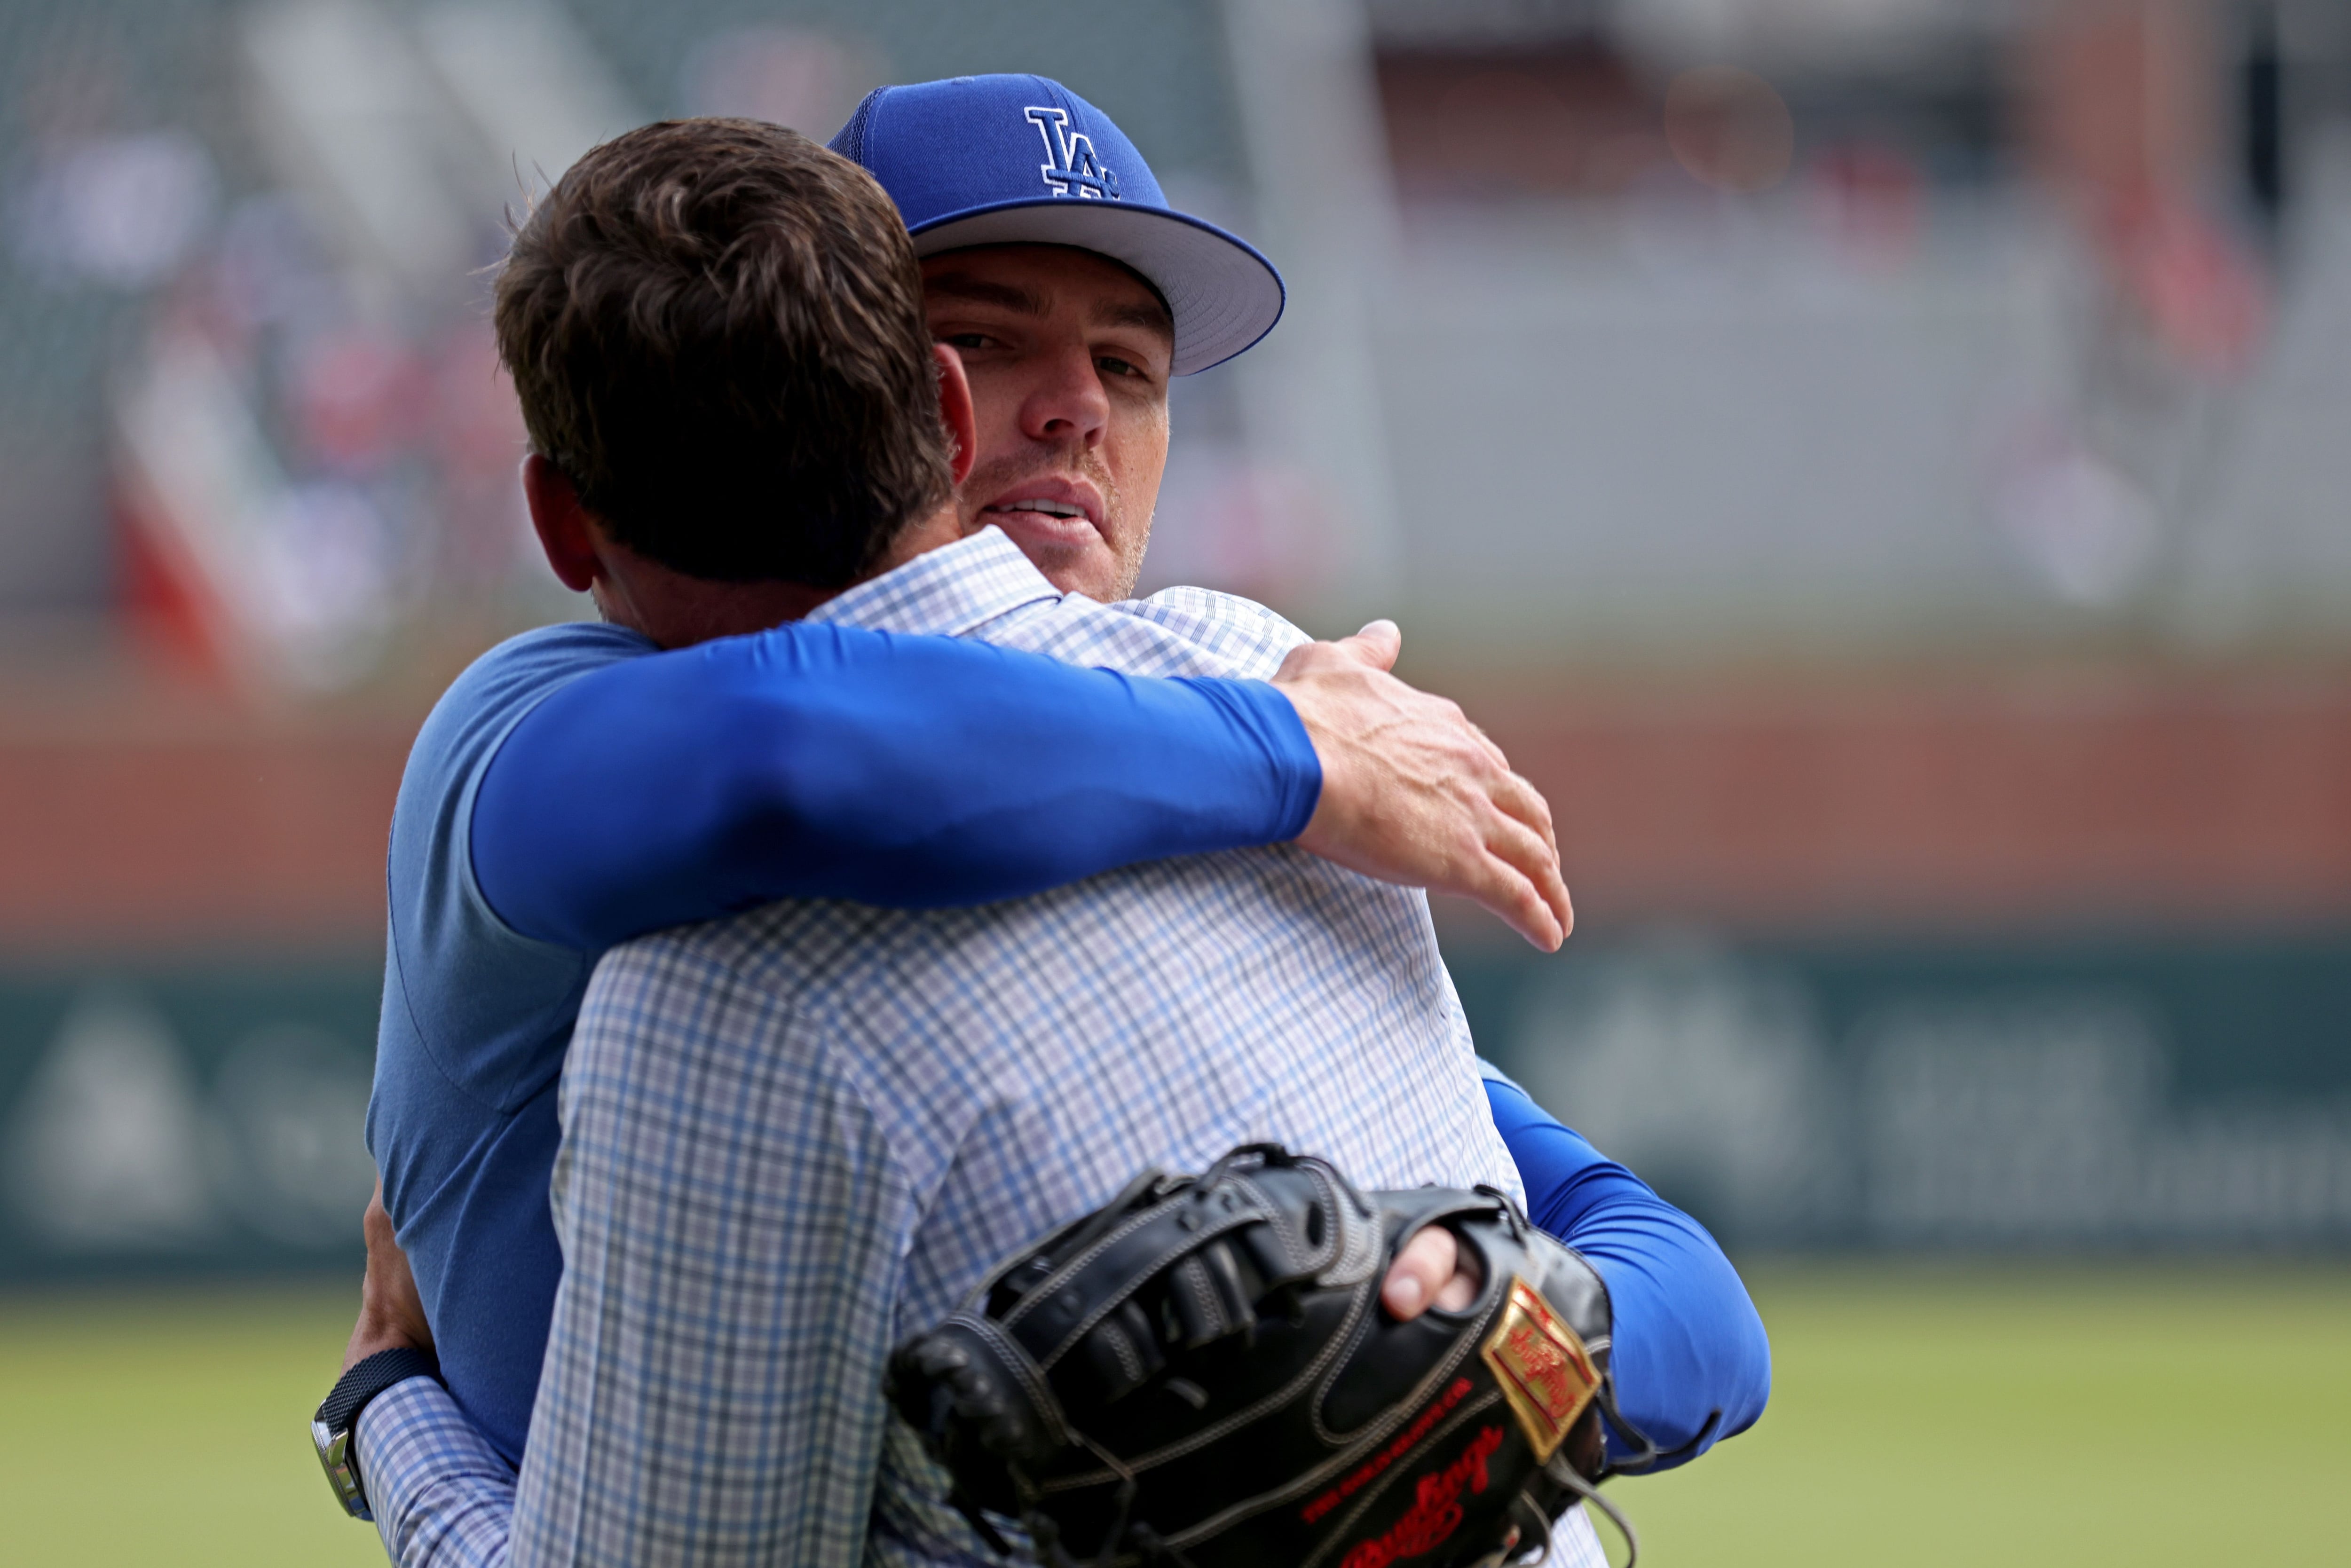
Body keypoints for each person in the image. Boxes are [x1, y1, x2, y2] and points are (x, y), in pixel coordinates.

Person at [340, 92, 1766, 1568]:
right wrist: (1291, 753)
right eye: (991, 334)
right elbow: (793, 748)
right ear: (878, 379)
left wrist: (1481, 1355)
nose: (1078, 403)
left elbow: (1686, 1295)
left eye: (1131, 364)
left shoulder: (1241, 691)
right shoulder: (1269, 709)